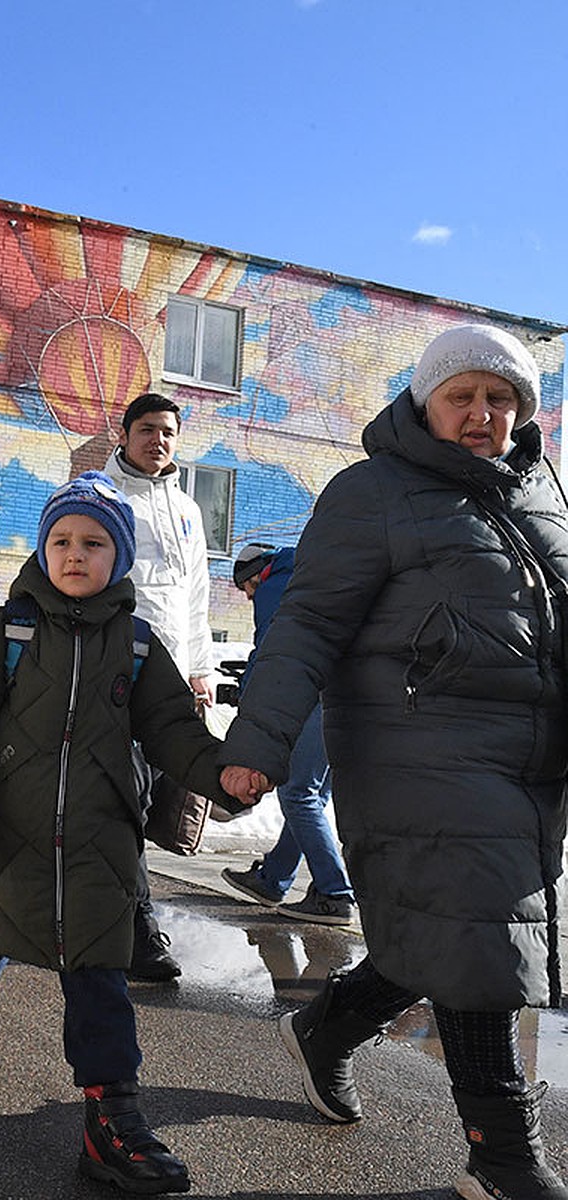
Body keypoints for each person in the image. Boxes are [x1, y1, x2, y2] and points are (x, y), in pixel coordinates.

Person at [219, 325, 568, 1200]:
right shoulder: (371, 492)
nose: (483, 414)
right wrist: (258, 741)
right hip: (420, 744)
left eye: (501, 399)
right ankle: (502, 1156)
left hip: (532, 756)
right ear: (426, 403)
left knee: (447, 930)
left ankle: (327, 1030)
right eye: (464, 397)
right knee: (479, 928)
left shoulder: (544, 501)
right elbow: (308, 624)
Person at [0, 472, 239, 1195]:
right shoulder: (6, 630)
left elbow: (175, 734)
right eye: (61, 540)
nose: (74, 554)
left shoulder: (142, 645)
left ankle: (111, 1116)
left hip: (98, 841)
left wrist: (227, 777)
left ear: (118, 558)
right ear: (43, 549)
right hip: (7, 833)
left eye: (93, 543)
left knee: (99, 976)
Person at [104, 393, 214, 982]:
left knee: (152, 804)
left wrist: (201, 669)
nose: (159, 440)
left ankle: (118, 909)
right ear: (123, 434)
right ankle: (140, 926)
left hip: (174, 681)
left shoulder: (188, 510)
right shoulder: (100, 496)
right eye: (147, 429)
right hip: (116, 671)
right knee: (128, 797)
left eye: (168, 432)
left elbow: (196, 595)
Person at [220, 544, 356, 925]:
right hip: (347, 692)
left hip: (318, 693)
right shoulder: (309, 569)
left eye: (245, 590)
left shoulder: (274, 585)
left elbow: (274, 649)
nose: (248, 598)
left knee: (298, 793)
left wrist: (246, 692)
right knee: (311, 793)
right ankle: (274, 878)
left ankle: (334, 893)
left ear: (253, 575)